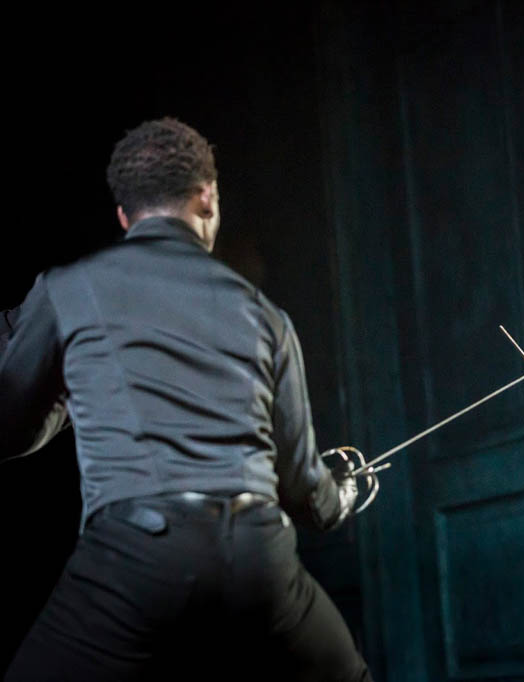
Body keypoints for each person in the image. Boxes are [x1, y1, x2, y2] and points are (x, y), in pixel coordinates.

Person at [1, 118, 371, 681]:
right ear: (208, 197)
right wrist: (341, 495)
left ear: (124, 216)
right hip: (258, 556)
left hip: (136, 556)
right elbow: (303, 488)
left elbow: (9, 428)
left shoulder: (69, 288)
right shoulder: (267, 316)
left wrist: (76, 393)